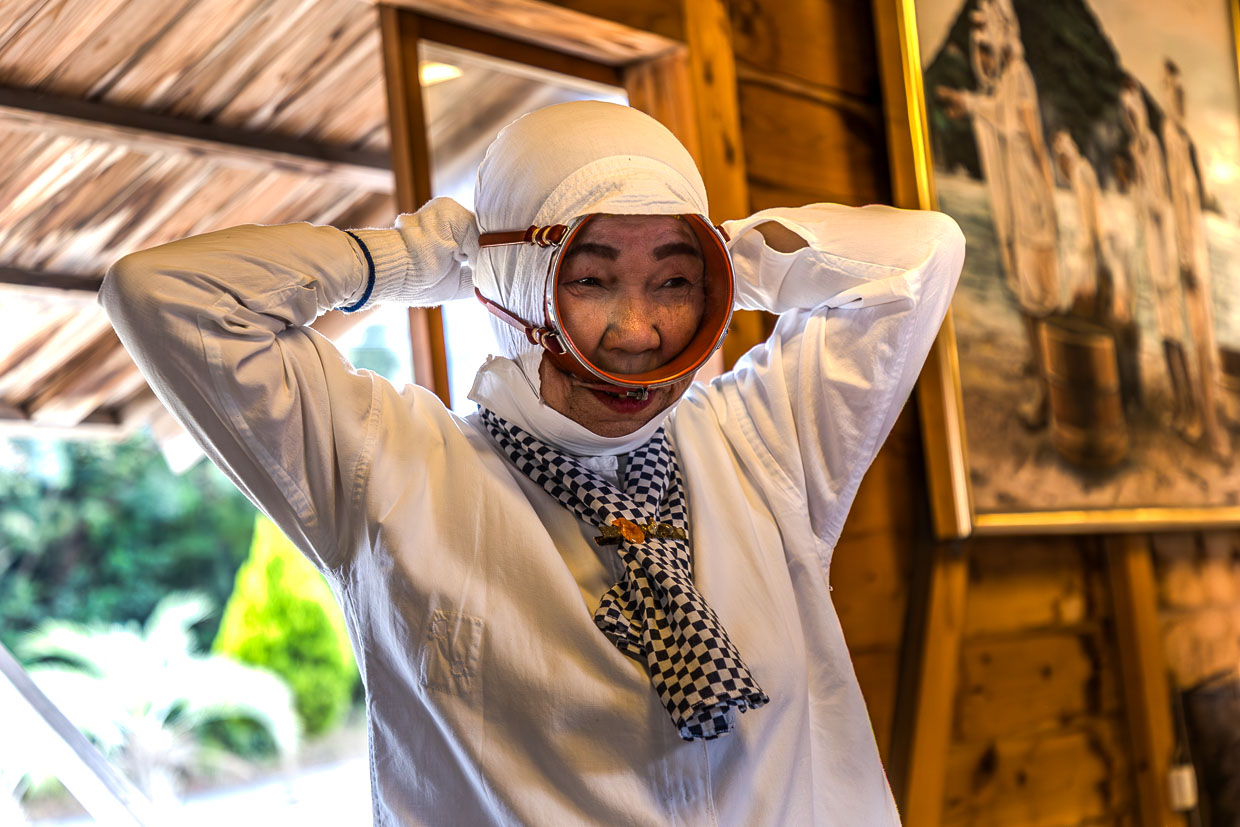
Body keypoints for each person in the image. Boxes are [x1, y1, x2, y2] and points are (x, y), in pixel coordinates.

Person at [102, 101, 964, 825]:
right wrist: (413, 260)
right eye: (589, 280)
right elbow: (164, 294)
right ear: (517, 283)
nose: (639, 333)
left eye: (674, 282)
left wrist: (736, 257)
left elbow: (920, 257)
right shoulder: (392, 466)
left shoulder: (759, 442)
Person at [939, 0, 1060, 429]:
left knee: (1034, 298)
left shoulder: (1018, 77)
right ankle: (1039, 370)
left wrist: (1047, 201)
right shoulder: (1005, 81)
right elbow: (998, 114)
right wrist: (970, 104)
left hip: (1028, 204)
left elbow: (1026, 130)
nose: (984, 50)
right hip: (1019, 205)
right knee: (1026, 293)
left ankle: (1044, 391)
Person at [1120, 78, 1198, 439]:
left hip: (1168, 253)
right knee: (1167, 338)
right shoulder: (1138, 149)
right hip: (1155, 256)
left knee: (1177, 337)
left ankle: (1191, 408)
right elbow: (1140, 212)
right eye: (1125, 114)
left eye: (1132, 111)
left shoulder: (1151, 147)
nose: (1129, 119)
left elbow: (1161, 205)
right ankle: (1181, 406)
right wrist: (1132, 183)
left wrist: (1139, 180)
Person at [1161, 60, 1229, 458]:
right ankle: (1210, 428)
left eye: (1182, 91)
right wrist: (1185, 255)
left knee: (1207, 345)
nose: (1180, 98)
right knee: (1201, 345)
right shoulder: (1172, 137)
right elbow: (1177, 202)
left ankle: (1212, 422)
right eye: (1174, 91)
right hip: (1190, 259)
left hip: (1197, 254)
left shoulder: (1183, 139)